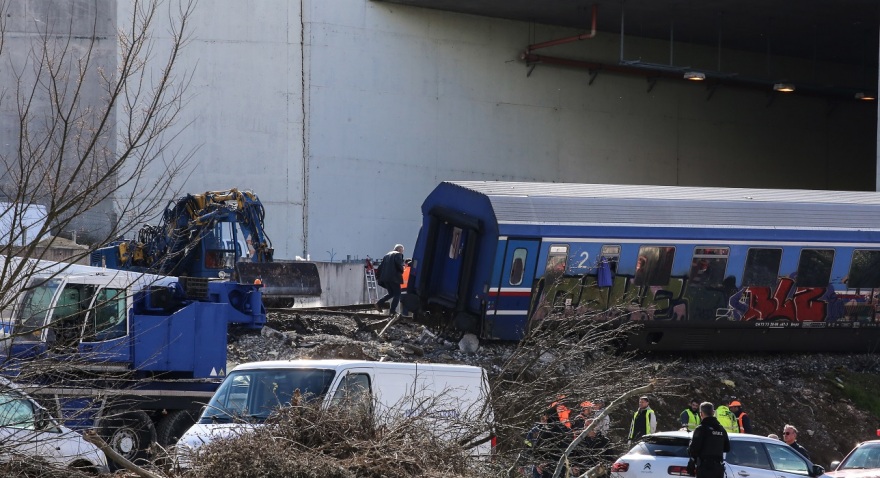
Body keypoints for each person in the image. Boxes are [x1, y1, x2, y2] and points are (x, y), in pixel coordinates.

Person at [688, 402, 730, 478]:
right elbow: (727, 448)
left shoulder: (701, 429)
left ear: (701, 414)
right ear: (713, 413)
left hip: (704, 468)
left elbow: (694, 449)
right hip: (718, 469)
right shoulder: (721, 429)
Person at [375, 244, 405, 315]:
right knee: (397, 294)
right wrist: (402, 270)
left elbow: (380, 267)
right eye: (402, 251)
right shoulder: (398, 254)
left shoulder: (386, 255)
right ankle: (392, 311)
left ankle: (379, 303)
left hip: (385, 278)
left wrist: (378, 277)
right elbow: (399, 265)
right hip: (394, 278)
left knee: (391, 293)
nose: (402, 252)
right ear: (399, 249)